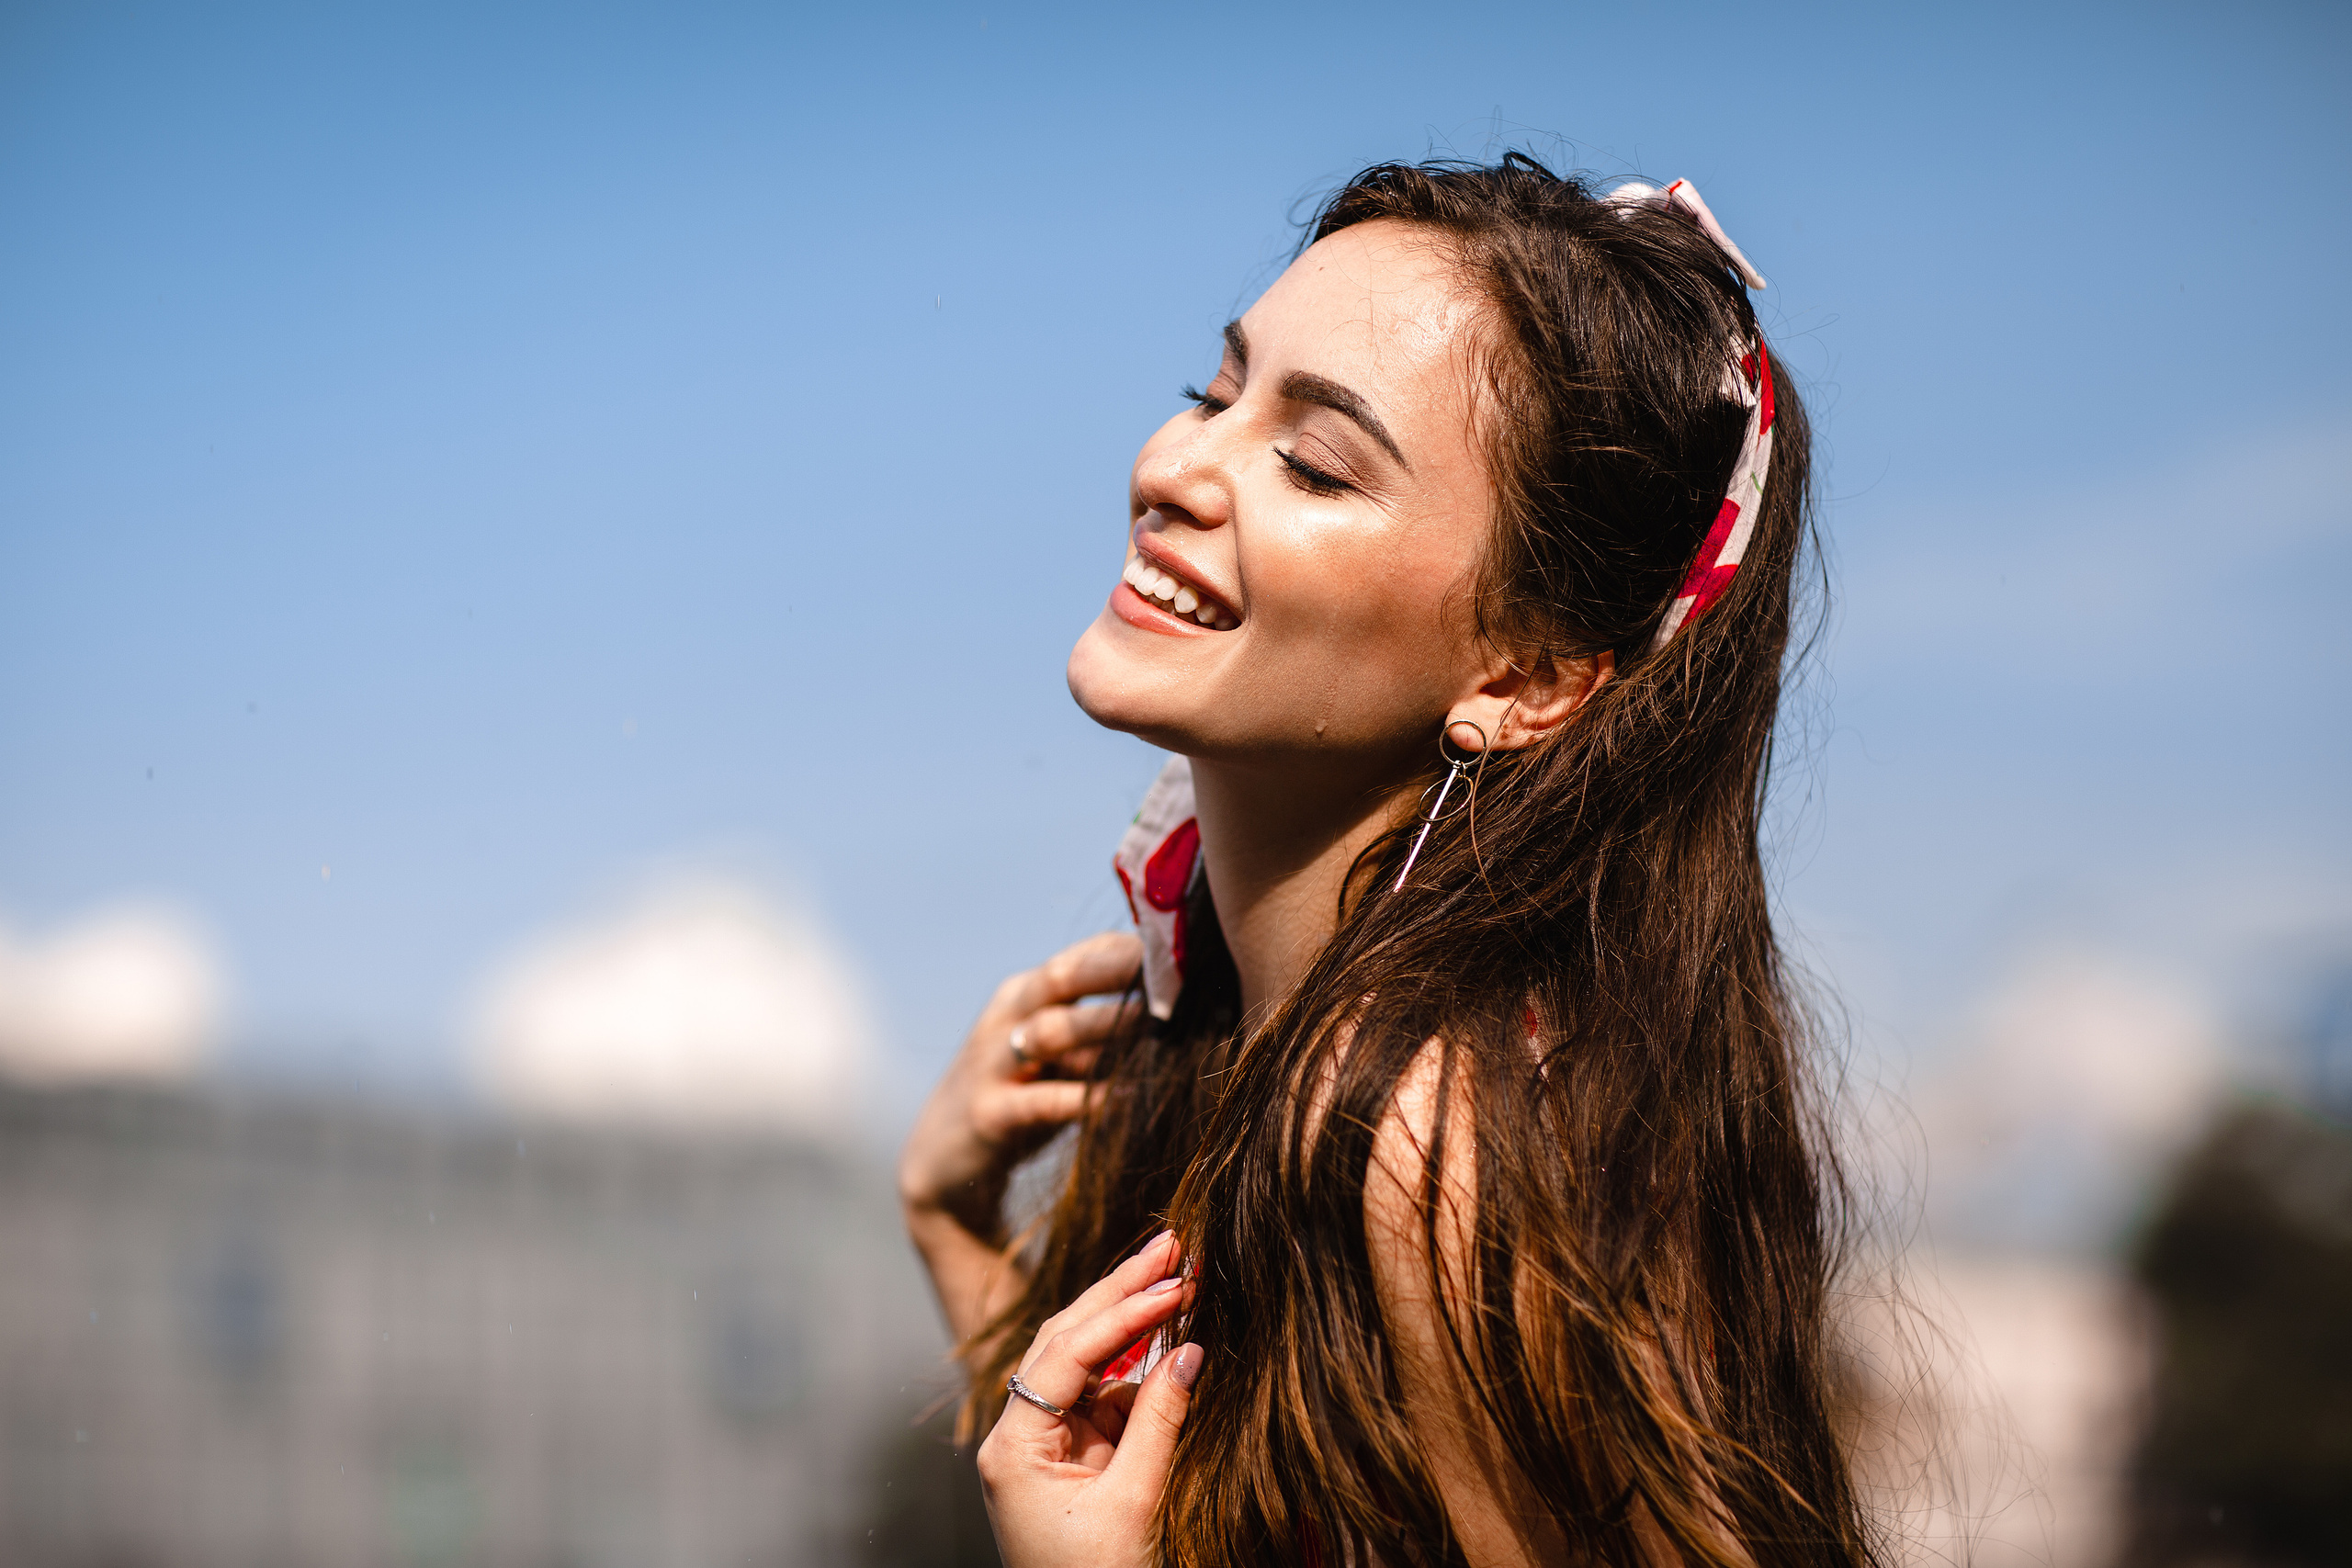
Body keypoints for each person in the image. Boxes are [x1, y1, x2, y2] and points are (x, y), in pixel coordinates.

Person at [899, 153, 1871, 1567]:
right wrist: (953, 1226)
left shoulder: (1432, 1142)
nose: (1174, 468)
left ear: (1531, 675)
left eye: (1312, 463)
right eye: (1213, 394)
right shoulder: (1294, 1066)